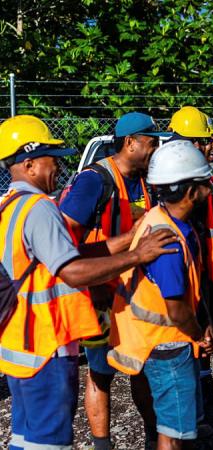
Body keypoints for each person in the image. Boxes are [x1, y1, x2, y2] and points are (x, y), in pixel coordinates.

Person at [0, 115, 177, 450]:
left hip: (17, 343)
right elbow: (72, 270)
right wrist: (136, 257)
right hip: (45, 345)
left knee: (25, 439)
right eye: (53, 159)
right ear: (29, 163)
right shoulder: (39, 207)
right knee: (48, 443)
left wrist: (128, 241)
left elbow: (65, 252)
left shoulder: (10, 205)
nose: (59, 167)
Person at [59, 111, 167, 450]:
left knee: (144, 368)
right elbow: (65, 244)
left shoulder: (146, 179)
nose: (156, 148)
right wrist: (94, 287)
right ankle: (102, 445)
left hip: (134, 296)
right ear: (131, 142)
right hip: (101, 297)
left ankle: (154, 438)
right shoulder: (95, 180)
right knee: (101, 373)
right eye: (152, 142)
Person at [107, 140, 213, 449]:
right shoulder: (167, 240)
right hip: (167, 343)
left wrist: (203, 320)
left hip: (163, 340)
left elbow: (190, 290)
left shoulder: (168, 220)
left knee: (170, 427)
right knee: (174, 432)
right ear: (191, 192)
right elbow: (176, 309)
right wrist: (199, 335)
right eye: (204, 183)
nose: (210, 189)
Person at [168, 105, 213, 404]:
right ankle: (190, 410)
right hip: (181, 276)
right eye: (209, 140)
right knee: (186, 340)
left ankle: (203, 407)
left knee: (204, 340)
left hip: (204, 271)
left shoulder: (206, 179)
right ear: (193, 142)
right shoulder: (173, 181)